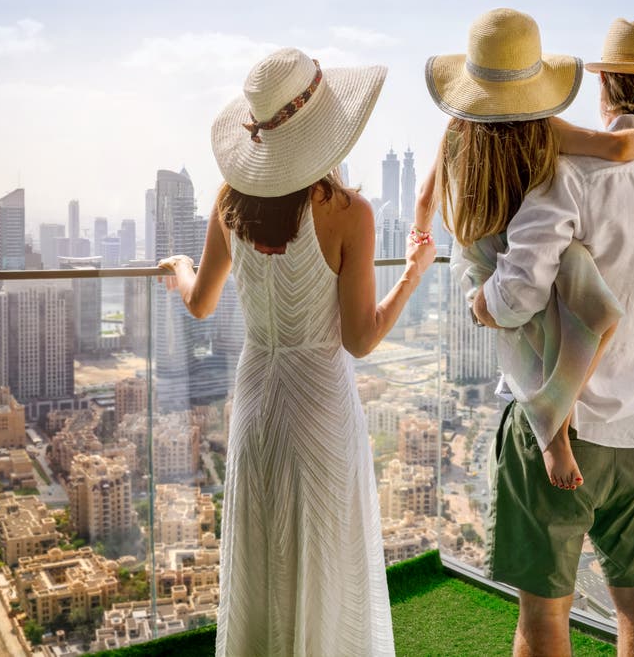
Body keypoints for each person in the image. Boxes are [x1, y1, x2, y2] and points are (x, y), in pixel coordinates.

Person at [159, 47, 433, 657]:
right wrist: (413, 275)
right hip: (321, 406)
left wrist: (180, 267)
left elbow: (200, 302)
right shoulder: (349, 214)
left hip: (257, 401)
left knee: (263, 557)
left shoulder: (230, 202)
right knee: (325, 556)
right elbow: (360, 339)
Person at [472, 16, 634, 656]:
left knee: (544, 617)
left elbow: (518, 296)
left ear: (605, 85)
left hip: (565, 429)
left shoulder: (570, 173)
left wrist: (482, 301)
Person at [416, 7, 634, 492]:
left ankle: (551, 421)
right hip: (505, 256)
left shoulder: (458, 128)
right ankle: (554, 428)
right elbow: (619, 150)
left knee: (560, 316)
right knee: (600, 315)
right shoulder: (544, 129)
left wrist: (419, 240)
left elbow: (425, 196)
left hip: (480, 254)